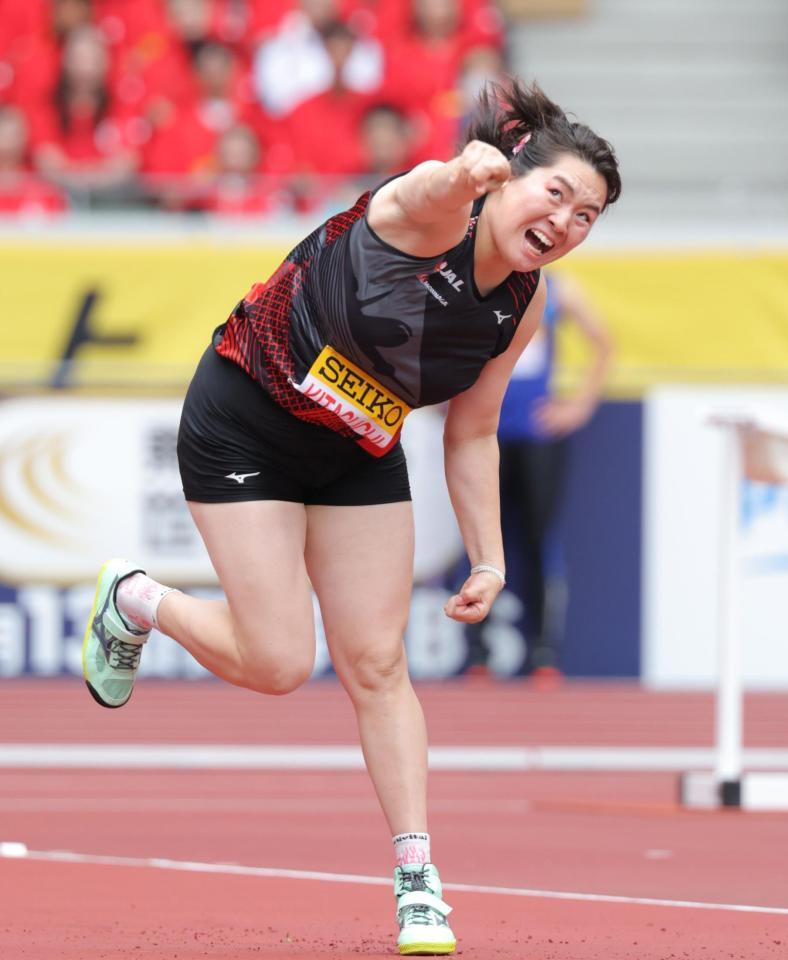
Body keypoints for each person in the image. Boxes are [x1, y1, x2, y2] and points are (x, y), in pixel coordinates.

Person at [82, 77, 621, 956]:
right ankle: (137, 599)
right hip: (244, 420)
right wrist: (463, 171)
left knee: (377, 664)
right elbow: (430, 188)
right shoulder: (428, 208)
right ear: (508, 176)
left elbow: (473, 432)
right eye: (555, 194)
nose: (565, 224)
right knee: (280, 661)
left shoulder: (521, 306)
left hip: (357, 448)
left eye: (587, 217)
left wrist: (490, 557)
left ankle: (417, 878)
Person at [496, 272, 614, 680]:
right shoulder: (475, 283)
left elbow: (603, 343)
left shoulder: (557, 288)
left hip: (536, 435)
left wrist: (579, 406)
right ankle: (478, 651)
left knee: (537, 538)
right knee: (480, 541)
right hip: (483, 435)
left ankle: (543, 649)